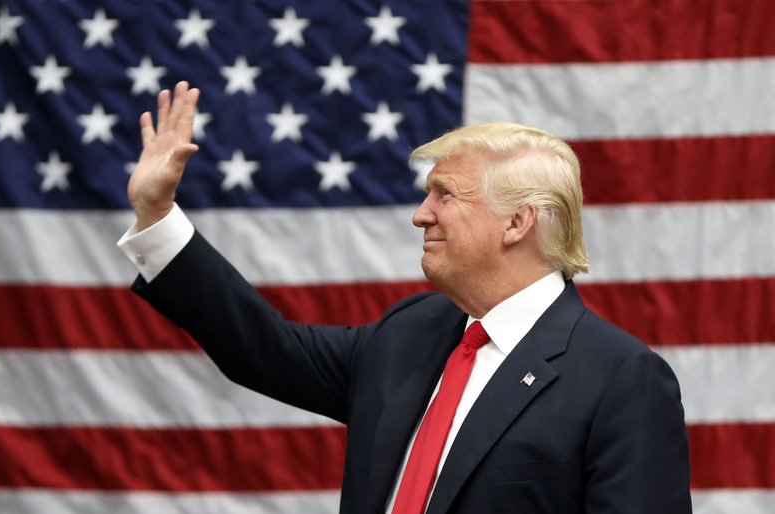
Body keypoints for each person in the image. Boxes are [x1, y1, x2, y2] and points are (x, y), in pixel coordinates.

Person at [118, 81, 692, 513]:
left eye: (445, 194)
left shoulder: (621, 379)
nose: (422, 214)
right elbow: (266, 349)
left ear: (517, 222)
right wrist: (157, 215)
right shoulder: (412, 332)